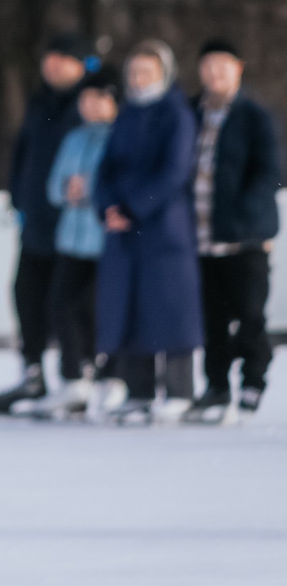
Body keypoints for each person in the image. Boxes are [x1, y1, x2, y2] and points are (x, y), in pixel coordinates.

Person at [93, 39, 202, 423]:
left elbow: (174, 171)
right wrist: (107, 206)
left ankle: (179, 390)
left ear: (164, 74)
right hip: (125, 232)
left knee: (171, 310)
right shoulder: (126, 113)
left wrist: (133, 208)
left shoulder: (176, 113)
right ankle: (138, 391)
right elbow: (105, 167)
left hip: (163, 228)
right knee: (131, 309)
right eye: (134, 72)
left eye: (147, 72)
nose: (138, 79)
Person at [0, 34, 91, 415]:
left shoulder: (88, 103)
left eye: (63, 58)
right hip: (35, 221)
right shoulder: (39, 101)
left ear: (80, 64)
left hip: (74, 226)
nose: (53, 64)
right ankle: (33, 373)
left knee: (68, 304)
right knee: (26, 296)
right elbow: (23, 152)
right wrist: (17, 195)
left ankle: (78, 376)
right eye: (50, 57)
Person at [185, 38, 278, 423]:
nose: (214, 73)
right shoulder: (190, 112)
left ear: (238, 67)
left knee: (250, 314)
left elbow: (270, 171)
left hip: (246, 238)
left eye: (222, 66)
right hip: (200, 238)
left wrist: (245, 217)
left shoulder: (254, 114)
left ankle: (253, 381)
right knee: (211, 318)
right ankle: (217, 386)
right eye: (208, 66)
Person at [32, 70, 120, 419]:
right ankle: (73, 377)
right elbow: (54, 187)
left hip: (106, 241)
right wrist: (68, 190)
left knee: (100, 310)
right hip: (71, 240)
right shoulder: (74, 139)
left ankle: (110, 376)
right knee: (60, 306)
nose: (92, 105)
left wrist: (91, 193)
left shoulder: (120, 137)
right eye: (87, 98)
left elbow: (119, 184)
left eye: (100, 98)